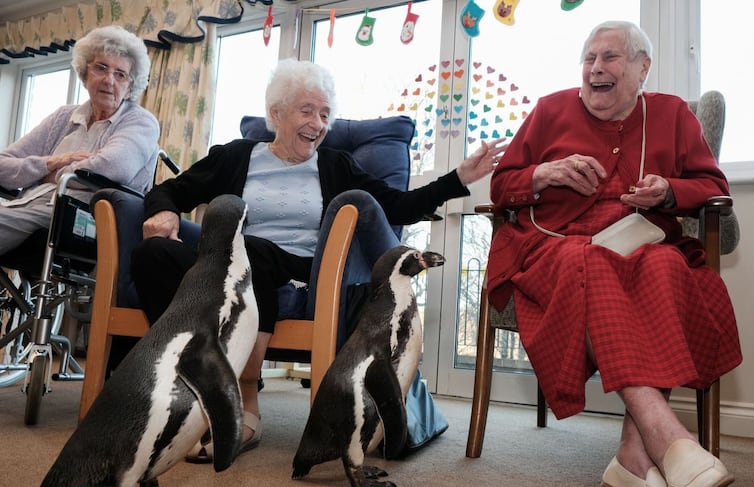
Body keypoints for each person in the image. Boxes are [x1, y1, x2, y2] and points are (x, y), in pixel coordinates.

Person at [131, 58, 505, 463]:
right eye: (307, 110)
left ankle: (245, 401)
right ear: (276, 114)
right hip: (227, 265)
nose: (318, 122)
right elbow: (173, 189)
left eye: (325, 114)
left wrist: (458, 178)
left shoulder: (334, 165)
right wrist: (165, 211)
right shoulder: (236, 156)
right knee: (151, 254)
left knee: (252, 250)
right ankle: (188, 377)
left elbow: (396, 205)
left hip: (298, 271)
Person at [487, 21, 742, 487]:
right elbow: (501, 185)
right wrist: (546, 173)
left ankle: (632, 459)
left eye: (610, 58)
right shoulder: (550, 110)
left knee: (667, 266)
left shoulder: (671, 114)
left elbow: (713, 185)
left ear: (643, 67)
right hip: (553, 244)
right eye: (589, 58)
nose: (596, 69)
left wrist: (667, 191)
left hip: (642, 239)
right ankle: (667, 438)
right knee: (595, 261)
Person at [0, 25, 159, 256]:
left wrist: (51, 176)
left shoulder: (140, 121)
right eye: (101, 68)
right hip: (27, 206)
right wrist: (51, 163)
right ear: (85, 73)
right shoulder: (64, 117)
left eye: (120, 74)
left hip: (81, 216)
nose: (109, 80)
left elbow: (112, 168)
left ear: (131, 85)